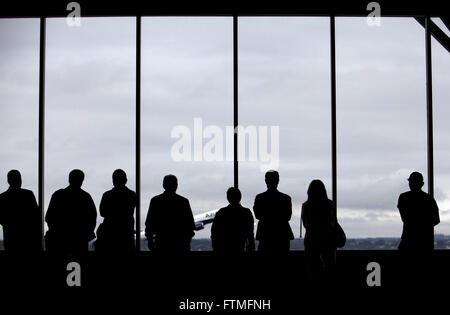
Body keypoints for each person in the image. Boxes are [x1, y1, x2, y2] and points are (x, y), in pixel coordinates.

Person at [45, 169, 97, 255]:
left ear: (69, 179)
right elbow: (92, 219)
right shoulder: (86, 197)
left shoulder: (58, 195)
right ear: (82, 181)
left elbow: (49, 217)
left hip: (59, 241)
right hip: (80, 241)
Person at [145, 175, 195, 253]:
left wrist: (150, 241)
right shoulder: (184, 201)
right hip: (180, 244)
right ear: (176, 186)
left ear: (163, 185)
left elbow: (149, 223)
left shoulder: (155, 201)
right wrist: (186, 241)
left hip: (161, 243)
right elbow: (190, 225)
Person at [301, 179, 337, 285]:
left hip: (311, 240)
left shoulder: (306, 206)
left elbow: (305, 224)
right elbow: (333, 222)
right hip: (327, 239)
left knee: (313, 270)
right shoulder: (329, 204)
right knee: (329, 267)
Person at [397, 171, 440, 253]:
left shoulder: (403, 197)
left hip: (408, 239)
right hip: (425, 241)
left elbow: (405, 218)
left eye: (412, 182)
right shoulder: (429, 199)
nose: (411, 184)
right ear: (422, 184)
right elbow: (436, 220)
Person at [95, 169, 136, 253]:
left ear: (113, 181)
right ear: (125, 180)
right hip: (126, 233)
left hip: (109, 234)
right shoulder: (132, 195)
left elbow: (102, 213)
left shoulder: (107, 195)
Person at [0, 170, 42, 252]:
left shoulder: (2, 197)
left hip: (10, 239)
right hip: (28, 239)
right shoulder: (28, 195)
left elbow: (2, 219)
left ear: (8, 181)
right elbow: (36, 217)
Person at [253, 170, 294, 253]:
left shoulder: (259, 198)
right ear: (278, 181)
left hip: (265, 234)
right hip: (282, 234)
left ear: (266, 181)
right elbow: (288, 217)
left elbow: (257, 215)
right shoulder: (286, 198)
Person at [211, 187, 255, 254]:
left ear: (228, 198)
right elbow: (250, 234)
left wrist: (216, 247)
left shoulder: (221, 212)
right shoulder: (247, 213)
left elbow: (214, 232)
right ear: (240, 197)